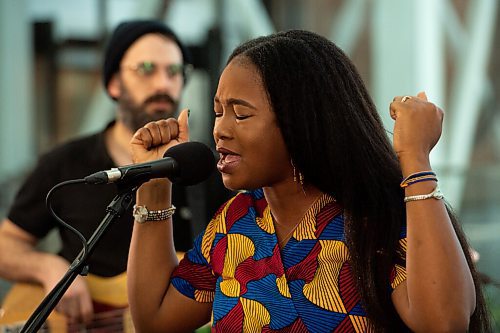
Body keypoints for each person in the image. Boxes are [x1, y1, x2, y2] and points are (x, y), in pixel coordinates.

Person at [126, 30, 491, 332]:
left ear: (300, 122)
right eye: (219, 111)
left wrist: (415, 159)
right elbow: (155, 320)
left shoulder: (376, 216)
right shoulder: (235, 221)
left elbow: (444, 323)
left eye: (241, 113)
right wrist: (155, 187)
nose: (220, 129)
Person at [0, 20, 196, 325]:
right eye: (146, 68)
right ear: (113, 83)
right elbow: (6, 245)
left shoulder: (203, 170)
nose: (163, 84)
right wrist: (49, 269)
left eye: (174, 71)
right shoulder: (65, 163)